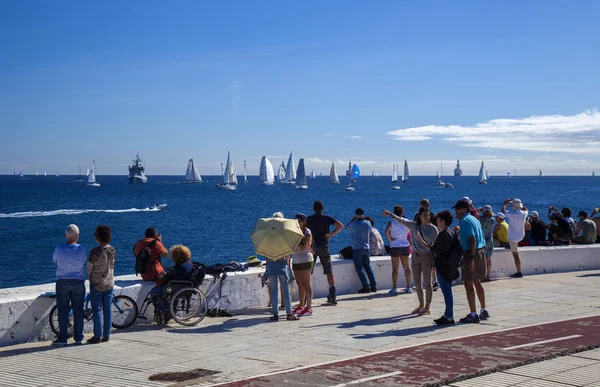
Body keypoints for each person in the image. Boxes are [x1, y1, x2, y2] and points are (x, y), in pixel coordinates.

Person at [382, 207, 438, 316]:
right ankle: (421, 305)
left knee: (427, 283)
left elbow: (435, 247)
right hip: (415, 257)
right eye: (424, 215)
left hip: (426, 257)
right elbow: (401, 220)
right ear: (420, 216)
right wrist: (390, 214)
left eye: (428, 215)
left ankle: (427, 307)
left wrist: (434, 260)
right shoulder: (413, 225)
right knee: (417, 283)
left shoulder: (432, 229)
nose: (426, 217)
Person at [453, 200, 489, 324]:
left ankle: (473, 314)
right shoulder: (474, 219)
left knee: (468, 284)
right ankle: (484, 309)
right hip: (481, 251)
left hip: (471, 253)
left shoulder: (465, 221)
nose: (455, 211)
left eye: (457, 209)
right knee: (477, 281)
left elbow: (472, 239)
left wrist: (471, 258)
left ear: (464, 209)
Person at [52, 224, 87, 345]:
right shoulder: (82, 248)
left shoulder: (58, 248)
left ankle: (63, 338)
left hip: (62, 281)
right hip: (78, 282)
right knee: (78, 310)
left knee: (62, 310)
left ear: (65, 236)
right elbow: (83, 261)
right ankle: (78, 338)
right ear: (77, 236)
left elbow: (55, 261)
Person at [306, 200, 344, 305]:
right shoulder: (326, 218)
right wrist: (330, 234)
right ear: (322, 209)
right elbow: (340, 226)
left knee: (309, 272)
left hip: (312, 247)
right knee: (329, 271)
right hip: (324, 246)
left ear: (313, 209)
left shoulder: (309, 219)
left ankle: (307, 297)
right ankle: (333, 296)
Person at [148, 244, 194, 322]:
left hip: (176, 288)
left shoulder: (179, 268)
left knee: (154, 292)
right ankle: (170, 310)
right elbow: (173, 270)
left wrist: (164, 275)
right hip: (185, 287)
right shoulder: (188, 265)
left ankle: (166, 310)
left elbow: (170, 278)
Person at [86, 225, 116, 344]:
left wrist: (89, 276)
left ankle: (97, 335)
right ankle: (107, 334)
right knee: (107, 308)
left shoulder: (95, 252)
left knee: (96, 308)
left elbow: (89, 267)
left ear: (98, 237)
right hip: (109, 282)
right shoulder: (112, 250)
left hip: (97, 282)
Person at [427, 210, 457, 325]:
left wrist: (421, 241)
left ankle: (449, 316)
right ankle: (448, 314)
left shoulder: (443, 235)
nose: (436, 222)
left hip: (443, 266)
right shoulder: (451, 232)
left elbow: (433, 249)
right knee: (448, 291)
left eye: (438, 220)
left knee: (446, 291)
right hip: (449, 265)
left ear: (443, 221)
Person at [345, 208, 377, 293]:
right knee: (368, 267)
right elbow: (370, 230)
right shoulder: (368, 223)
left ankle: (366, 286)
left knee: (359, 269)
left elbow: (347, 227)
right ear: (363, 214)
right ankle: (373, 286)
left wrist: (353, 218)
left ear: (356, 214)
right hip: (366, 248)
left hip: (357, 249)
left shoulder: (354, 224)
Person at [385, 206, 412, 295]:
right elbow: (411, 231)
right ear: (402, 212)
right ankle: (408, 287)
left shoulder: (392, 222)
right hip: (405, 246)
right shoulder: (406, 222)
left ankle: (394, 288)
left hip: (395, 246)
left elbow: (386, 231)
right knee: (407, 268)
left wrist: (390, 240)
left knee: (395, 269)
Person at [291, 213, 314, 317]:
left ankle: (309, 308)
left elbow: (303, 246)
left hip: (305, 259)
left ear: (304, 222)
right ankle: (301, 305)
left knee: (306, 284)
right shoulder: (294, 231)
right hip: (296, 260)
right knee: (299, 284)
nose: (297, 222)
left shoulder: (307, 231)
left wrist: (295, 239)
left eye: (299, 221)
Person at [502, 198, 528, 278]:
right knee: (515, 252)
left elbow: (502, 212)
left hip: (513, 238)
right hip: (521, 235)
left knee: (515, 255)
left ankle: (519, 272)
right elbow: (526, 209)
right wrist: (521, 205)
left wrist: (505, 204)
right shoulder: (524, 213)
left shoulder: (511, 214)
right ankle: (518, 271)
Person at [477, 205, 495, 282]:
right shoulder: (492, 219)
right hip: (490, 240)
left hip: (483, 240)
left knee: (482, 259)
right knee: (488, 259)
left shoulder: (481, 219)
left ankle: (482, 276)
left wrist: (479, 210)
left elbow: (475, 214)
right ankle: (488, 276)